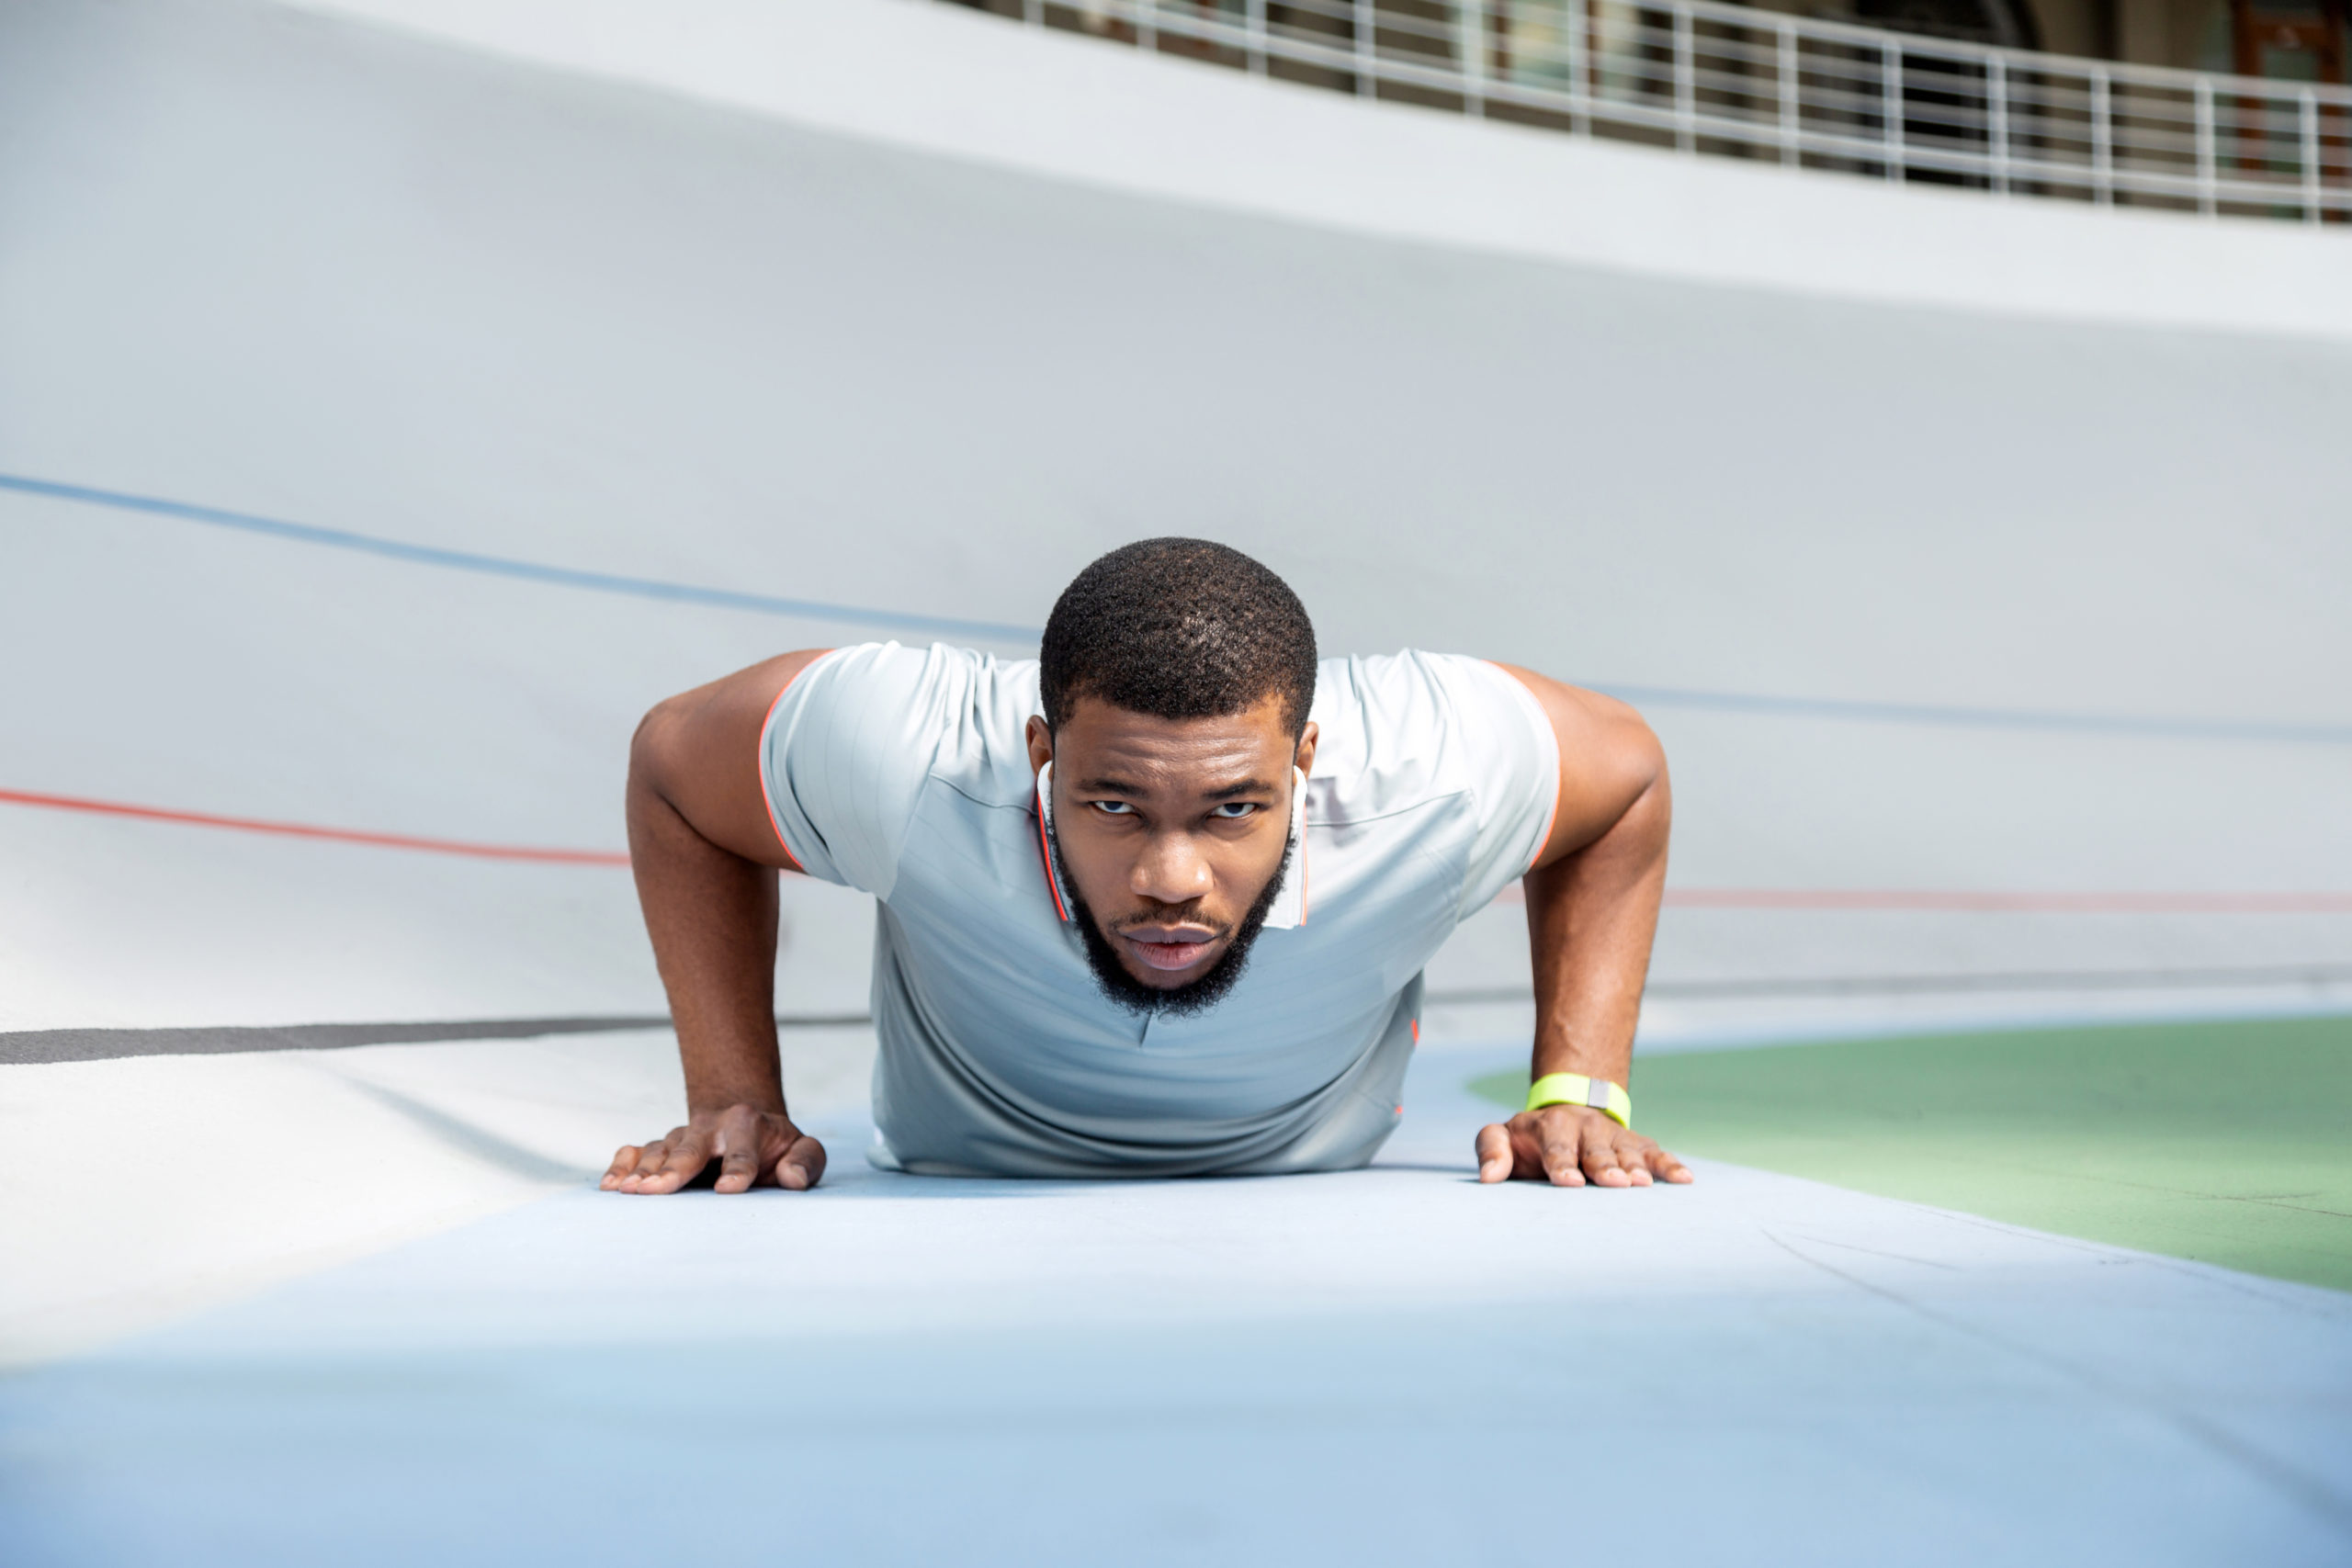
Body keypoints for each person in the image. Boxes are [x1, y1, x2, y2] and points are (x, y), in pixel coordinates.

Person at [603, 538, 1690, 1194]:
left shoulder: (1432, 776)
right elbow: (672, 768)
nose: (1172, 877)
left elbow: (1625, 782)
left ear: (1306, 763)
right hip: (964, 1176)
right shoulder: (907, 756)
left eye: (1232, 809)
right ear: (1041, 755)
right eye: (1114, 804)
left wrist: (1576, 1089)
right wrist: (733, 1095)